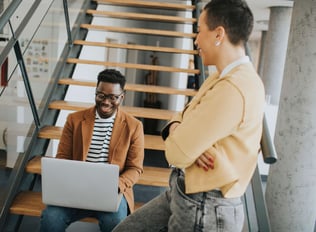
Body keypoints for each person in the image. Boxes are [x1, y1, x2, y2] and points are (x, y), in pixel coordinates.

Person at [113, 0, 265, 231]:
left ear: (218, 34)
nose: (196, 40)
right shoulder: (220, 78)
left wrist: (184, 138)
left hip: (205, 206)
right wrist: (179, 129)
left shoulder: (233, 87)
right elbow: (182, 114)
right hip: (187, 191)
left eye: (199, 31)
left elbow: (176, 153)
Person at [40, 69, 144, 232]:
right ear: (95, 92)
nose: (106, 102)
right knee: (51, 218)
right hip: (76, 188)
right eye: (101, 95)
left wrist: (117, 185)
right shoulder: (74, 120)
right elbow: (63, 158)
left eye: (113, 97)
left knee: (115, 222)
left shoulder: (134, 126)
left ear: (121, 97)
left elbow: (135, 168)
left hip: (112, 192)